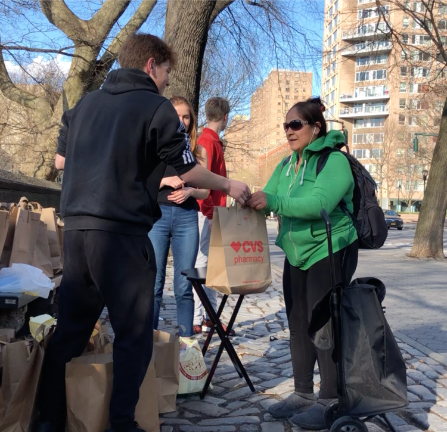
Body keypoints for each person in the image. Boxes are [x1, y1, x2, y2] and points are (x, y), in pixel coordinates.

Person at [37, 33, 250, 432]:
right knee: (133, 336)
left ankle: (46, 420)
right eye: (167, 72)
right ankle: (122, 423)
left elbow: (62, 161)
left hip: (78, 233)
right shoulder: (156, 107)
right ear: (151, 65)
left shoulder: (84, 105)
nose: (168, 81)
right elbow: (188, 170)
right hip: (121, 239)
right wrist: (228, 184)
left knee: (69, 331)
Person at [246, 101, 358, 430]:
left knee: (322, 323)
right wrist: (248, 199)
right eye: (286, 125)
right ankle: (302, 393)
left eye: (296, 124)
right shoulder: (287, 165)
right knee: (297, 322)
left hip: (330, 248)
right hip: (296, 252)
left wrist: (274, 202)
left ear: (316, 127)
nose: (289, 130)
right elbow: (268, 195)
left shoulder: (334, 161)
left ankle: (330, 399)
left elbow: (320, 204)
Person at [149, 96, 208, 337]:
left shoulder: (198, 149)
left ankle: (187, 347)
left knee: (185, 286)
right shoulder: (155, 146)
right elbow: (139, 180)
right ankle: (148, 344)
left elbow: (205, 189)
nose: (181, 122)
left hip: (187, 218)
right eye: (176, 116)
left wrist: (191, 191)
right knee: (153, 284)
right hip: (157, 216)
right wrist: (163, 181)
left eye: (186, 117)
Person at [193, 97, 233, 335]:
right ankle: (200, 317)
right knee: (202, 263)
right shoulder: (207, 141)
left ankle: (210, 316)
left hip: (213, 212)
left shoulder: (211, 141)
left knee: (211, 263)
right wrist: (209, 212)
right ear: (225, 116)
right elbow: (204, 180)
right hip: (207, 212)